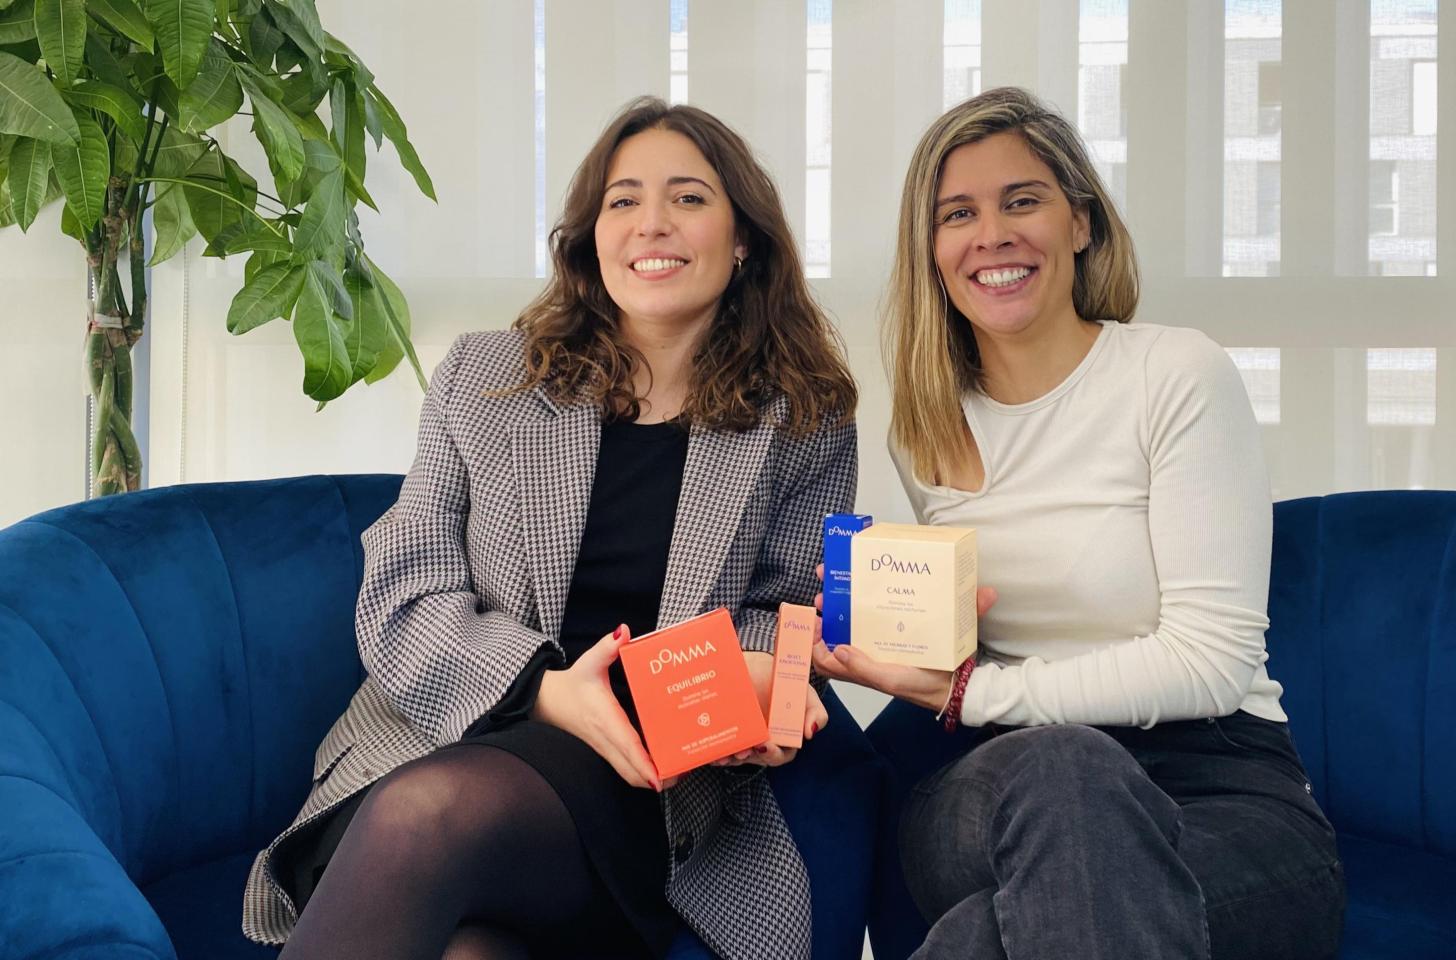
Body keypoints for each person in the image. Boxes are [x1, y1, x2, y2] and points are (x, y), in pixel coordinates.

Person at [241, 96, 857, 960]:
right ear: (591, 237)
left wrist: (756, 685)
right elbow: (404, 588)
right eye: (622, 200)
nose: (651, 223)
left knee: (428, 821)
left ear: (744, 237)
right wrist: (543, 688)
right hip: (433, 741)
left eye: (688, 198)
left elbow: (784, 611)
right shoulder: (485, 377)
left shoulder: (803, 417)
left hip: (640, 780)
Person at [813, 87, 1345, 959]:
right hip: (999, 791)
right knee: (1064, 765)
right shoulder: (926, 429)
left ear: (1081, 223)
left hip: (1221, 788)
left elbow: (1211, 664)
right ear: (930, 251)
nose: (992, 234)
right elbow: (964, 647)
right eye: (958, 214)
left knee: (986, 936)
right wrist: (899, 642)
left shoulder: (1176, 374)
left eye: (1022, 201)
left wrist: (973, 695)